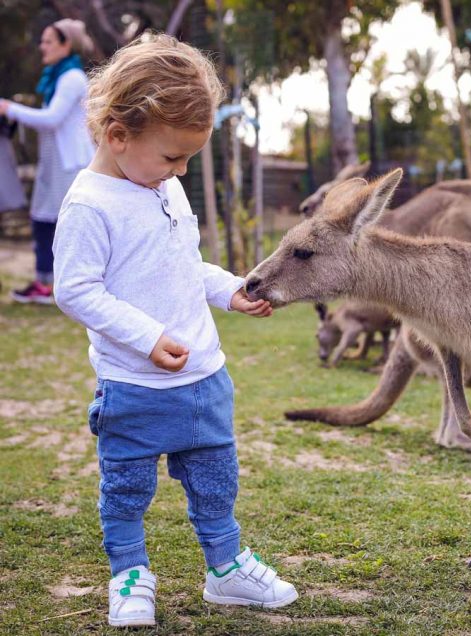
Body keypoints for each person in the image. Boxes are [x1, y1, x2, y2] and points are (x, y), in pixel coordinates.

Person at [51, 35, 297, 628]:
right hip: (134, 382)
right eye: (171, 157)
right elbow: (76, 290)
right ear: (117, 134)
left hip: (204, 376)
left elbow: (182, 262)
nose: (181, 170)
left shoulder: (162, 185)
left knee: (217, 479)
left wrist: (228, 291)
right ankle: (130, 573)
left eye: (188, 159)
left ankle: (226, 568)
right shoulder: (89, 206)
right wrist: (146, 336)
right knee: (127, 488)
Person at [0, 19, 95, 304]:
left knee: (58, 222)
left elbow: (52, 119)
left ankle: (58, 285)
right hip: (55, 163)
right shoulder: (58, 76)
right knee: (43, 220)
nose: (42, 46)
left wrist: (10, 108)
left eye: (49, 41)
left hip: (70, 164)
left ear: (67, 44)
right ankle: (46, 281)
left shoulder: (72, 78)